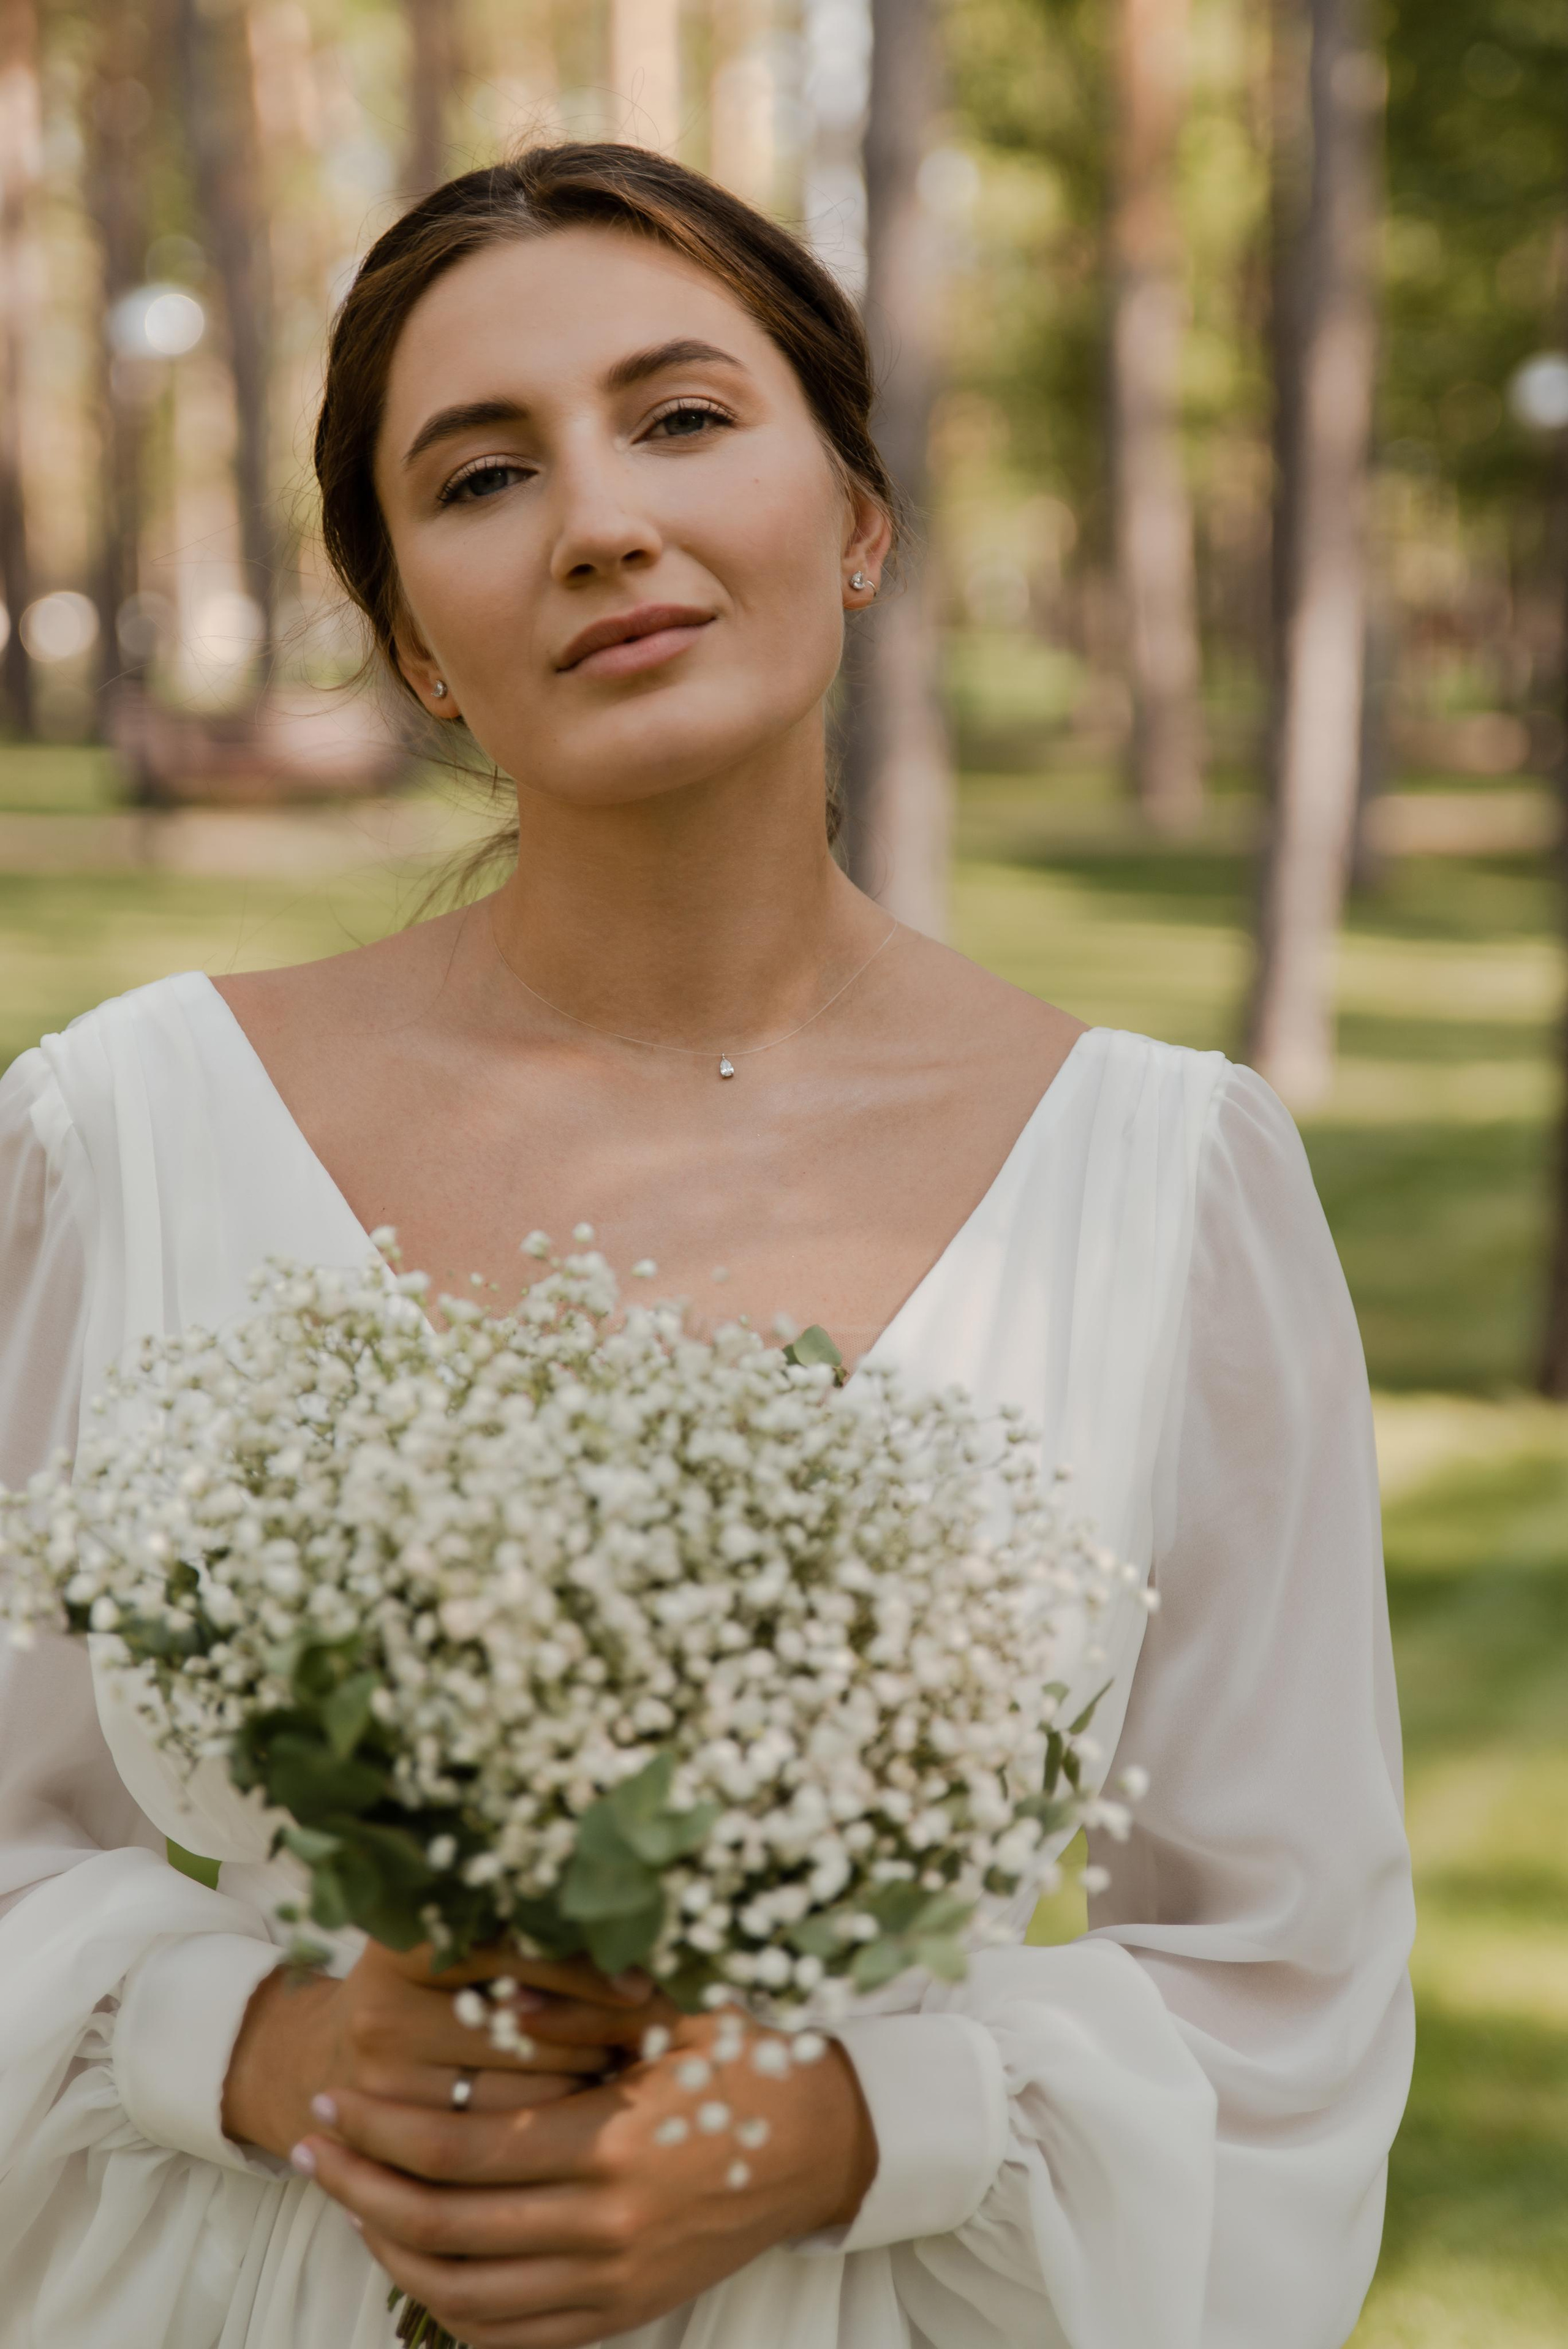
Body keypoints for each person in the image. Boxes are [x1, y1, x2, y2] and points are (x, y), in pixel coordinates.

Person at [0, 144, 1413, 2349]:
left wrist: (851, 2126)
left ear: (855, 519)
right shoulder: (120, 1137)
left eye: (681, 419)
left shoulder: (1170, 1181)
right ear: (416, 650)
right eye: (480, 476)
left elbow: (1287, 1967)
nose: (598, 520)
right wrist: (260, 2053)